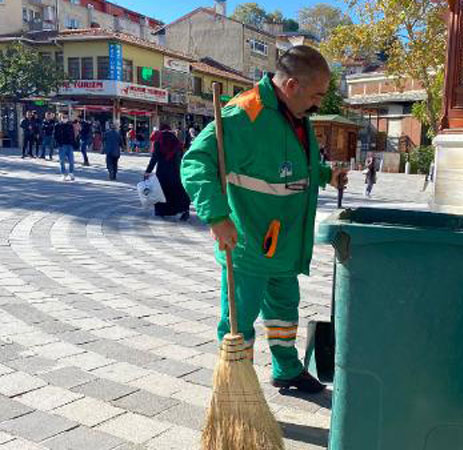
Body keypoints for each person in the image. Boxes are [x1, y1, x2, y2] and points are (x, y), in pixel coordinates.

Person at [181, 45, 348, 394]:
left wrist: (326, 174)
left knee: (284, 312)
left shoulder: (296, 114)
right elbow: (196, 163)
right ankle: (236, 386)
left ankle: (286, 369)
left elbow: (287, 167)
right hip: (249, 246)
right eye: (316, 95)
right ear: (291, 85)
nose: (318, 104)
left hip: (284, 246)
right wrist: (217, 217)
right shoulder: (246, 114)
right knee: (239, 321)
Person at [145, 124, 191, 220]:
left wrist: (148, 171)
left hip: (162, 170)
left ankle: (162, 211)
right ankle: (184, 210)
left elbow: (154, 158)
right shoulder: (176, 141)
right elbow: (181, 156)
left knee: (162, 190)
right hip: (175, 170)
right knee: (177, 190)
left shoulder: (159, 140)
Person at [54, 113, 76, 181]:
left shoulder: (70, 125)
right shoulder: (57, 125)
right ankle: (63, 174)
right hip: (62, 145)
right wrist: (58, 143)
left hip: (69, 145)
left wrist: (73, 143)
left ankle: (71, 173)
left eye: (66, 117)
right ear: (60, 118)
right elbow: (55, 135)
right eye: (63, 117)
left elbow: (73, 134)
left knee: (71, 160)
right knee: (62, 161)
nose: (65, 119)